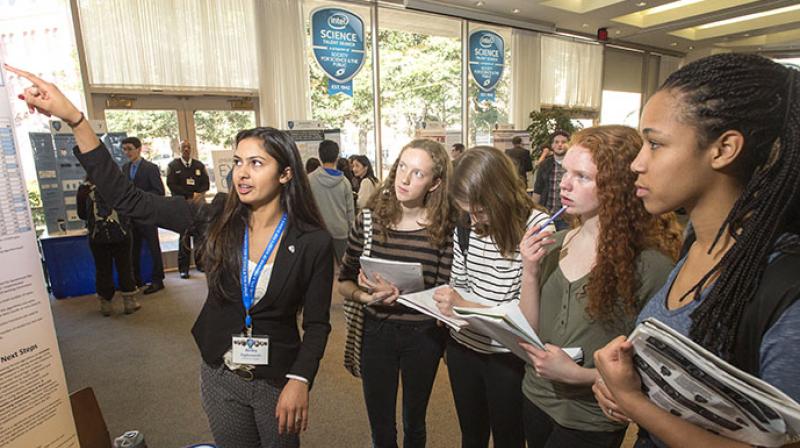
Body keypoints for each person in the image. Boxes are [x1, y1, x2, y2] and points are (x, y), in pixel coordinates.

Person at [8, 63, 335, 447]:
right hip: (220, 373)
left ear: (285, 174)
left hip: (276, 379)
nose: (242, 174)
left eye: (257, 163)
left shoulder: (312, 241)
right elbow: (128, 199)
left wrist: (300, 380)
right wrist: (77, 121)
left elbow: (316, 325)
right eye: (238, 162)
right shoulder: (215, 216)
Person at [589, 54, 800, 448]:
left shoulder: (784, 288)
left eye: (654, 144)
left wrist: (635, 403)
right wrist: (623, 383)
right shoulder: (697, 244)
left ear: (723, 149)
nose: (637, 163)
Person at [516, 126, 680, 448]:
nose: (564, 184)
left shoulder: (649, 266)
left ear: (616, 186)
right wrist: (529, 271)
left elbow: (653, 368)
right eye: (565, 173)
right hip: (535, 396)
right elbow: (528, 334)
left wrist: (579, 376)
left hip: (591, 417)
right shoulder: (554, 244)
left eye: (582, 177)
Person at [433, 146, 554, 448]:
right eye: (467, 209)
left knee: (509, 437)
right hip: (464, 348)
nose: (474, 219)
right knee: (471, 436)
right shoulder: (465, 225)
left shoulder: (536, 228)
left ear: (500, 191)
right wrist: (447, 303)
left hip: (508, 357)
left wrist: (465, 305)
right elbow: (459, 284)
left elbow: (526, 313)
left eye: (480, 208)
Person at [339, 139, 456, 448]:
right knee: (381, 426)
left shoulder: (444, 229)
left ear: (435, 183)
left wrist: (405, 295)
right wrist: (367, 297)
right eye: (402, 167)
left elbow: (446, 292)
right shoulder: (368, 221)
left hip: (424, 335)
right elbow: (344, 282)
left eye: (418, 173)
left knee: (415, 422)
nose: (404, 179)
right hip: (376, 331)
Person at [76, 178, 141, 316]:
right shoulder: (119, 184)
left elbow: (82, 214)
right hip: (121, 233)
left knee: (102, 269)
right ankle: (129, 301)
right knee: (125, 266)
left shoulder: (84, 190)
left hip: (97, 236)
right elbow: (129, 207)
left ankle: (106, 304)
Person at [121, 136, 166, 294]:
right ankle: (136, 280)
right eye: (124, 149)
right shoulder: (124, 168)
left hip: (147, 215)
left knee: (153, 248)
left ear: (139, 149)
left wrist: (141, 197)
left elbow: (159, 191)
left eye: (130, 149)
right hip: (131, 216)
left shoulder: (150, 168)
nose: (127, 152)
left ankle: (157, 280)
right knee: (133, 249)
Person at [166, 140, 210, 278]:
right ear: (179, 149)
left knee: (199, 236)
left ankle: (200, 264)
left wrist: (198, 194)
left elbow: (206, 183)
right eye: (183, 147)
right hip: (182, 205)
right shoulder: (173, 166)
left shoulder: (198, 165)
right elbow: (172, 185)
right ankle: (183, 269)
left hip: (197, 205)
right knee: (184, 236)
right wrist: (189, 195)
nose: (186, 149)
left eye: (188, 147)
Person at [308, 140, 355, 262]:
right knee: (342, 269)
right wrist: (351, 233)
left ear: (320, 156)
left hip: (317, 232)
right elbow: (350, 212)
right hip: (341, 231)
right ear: (337, 157)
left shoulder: (309, 180)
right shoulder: (345, 182)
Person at [533, 131, 570, 230]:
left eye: (563, 142)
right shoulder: (545, 165)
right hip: (547, 215)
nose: (560, 145)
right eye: (556, 142)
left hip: (567, 217)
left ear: (569, 144)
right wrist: (534, 211)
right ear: (552, 145)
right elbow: (538, 189)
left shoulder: (573, 165)